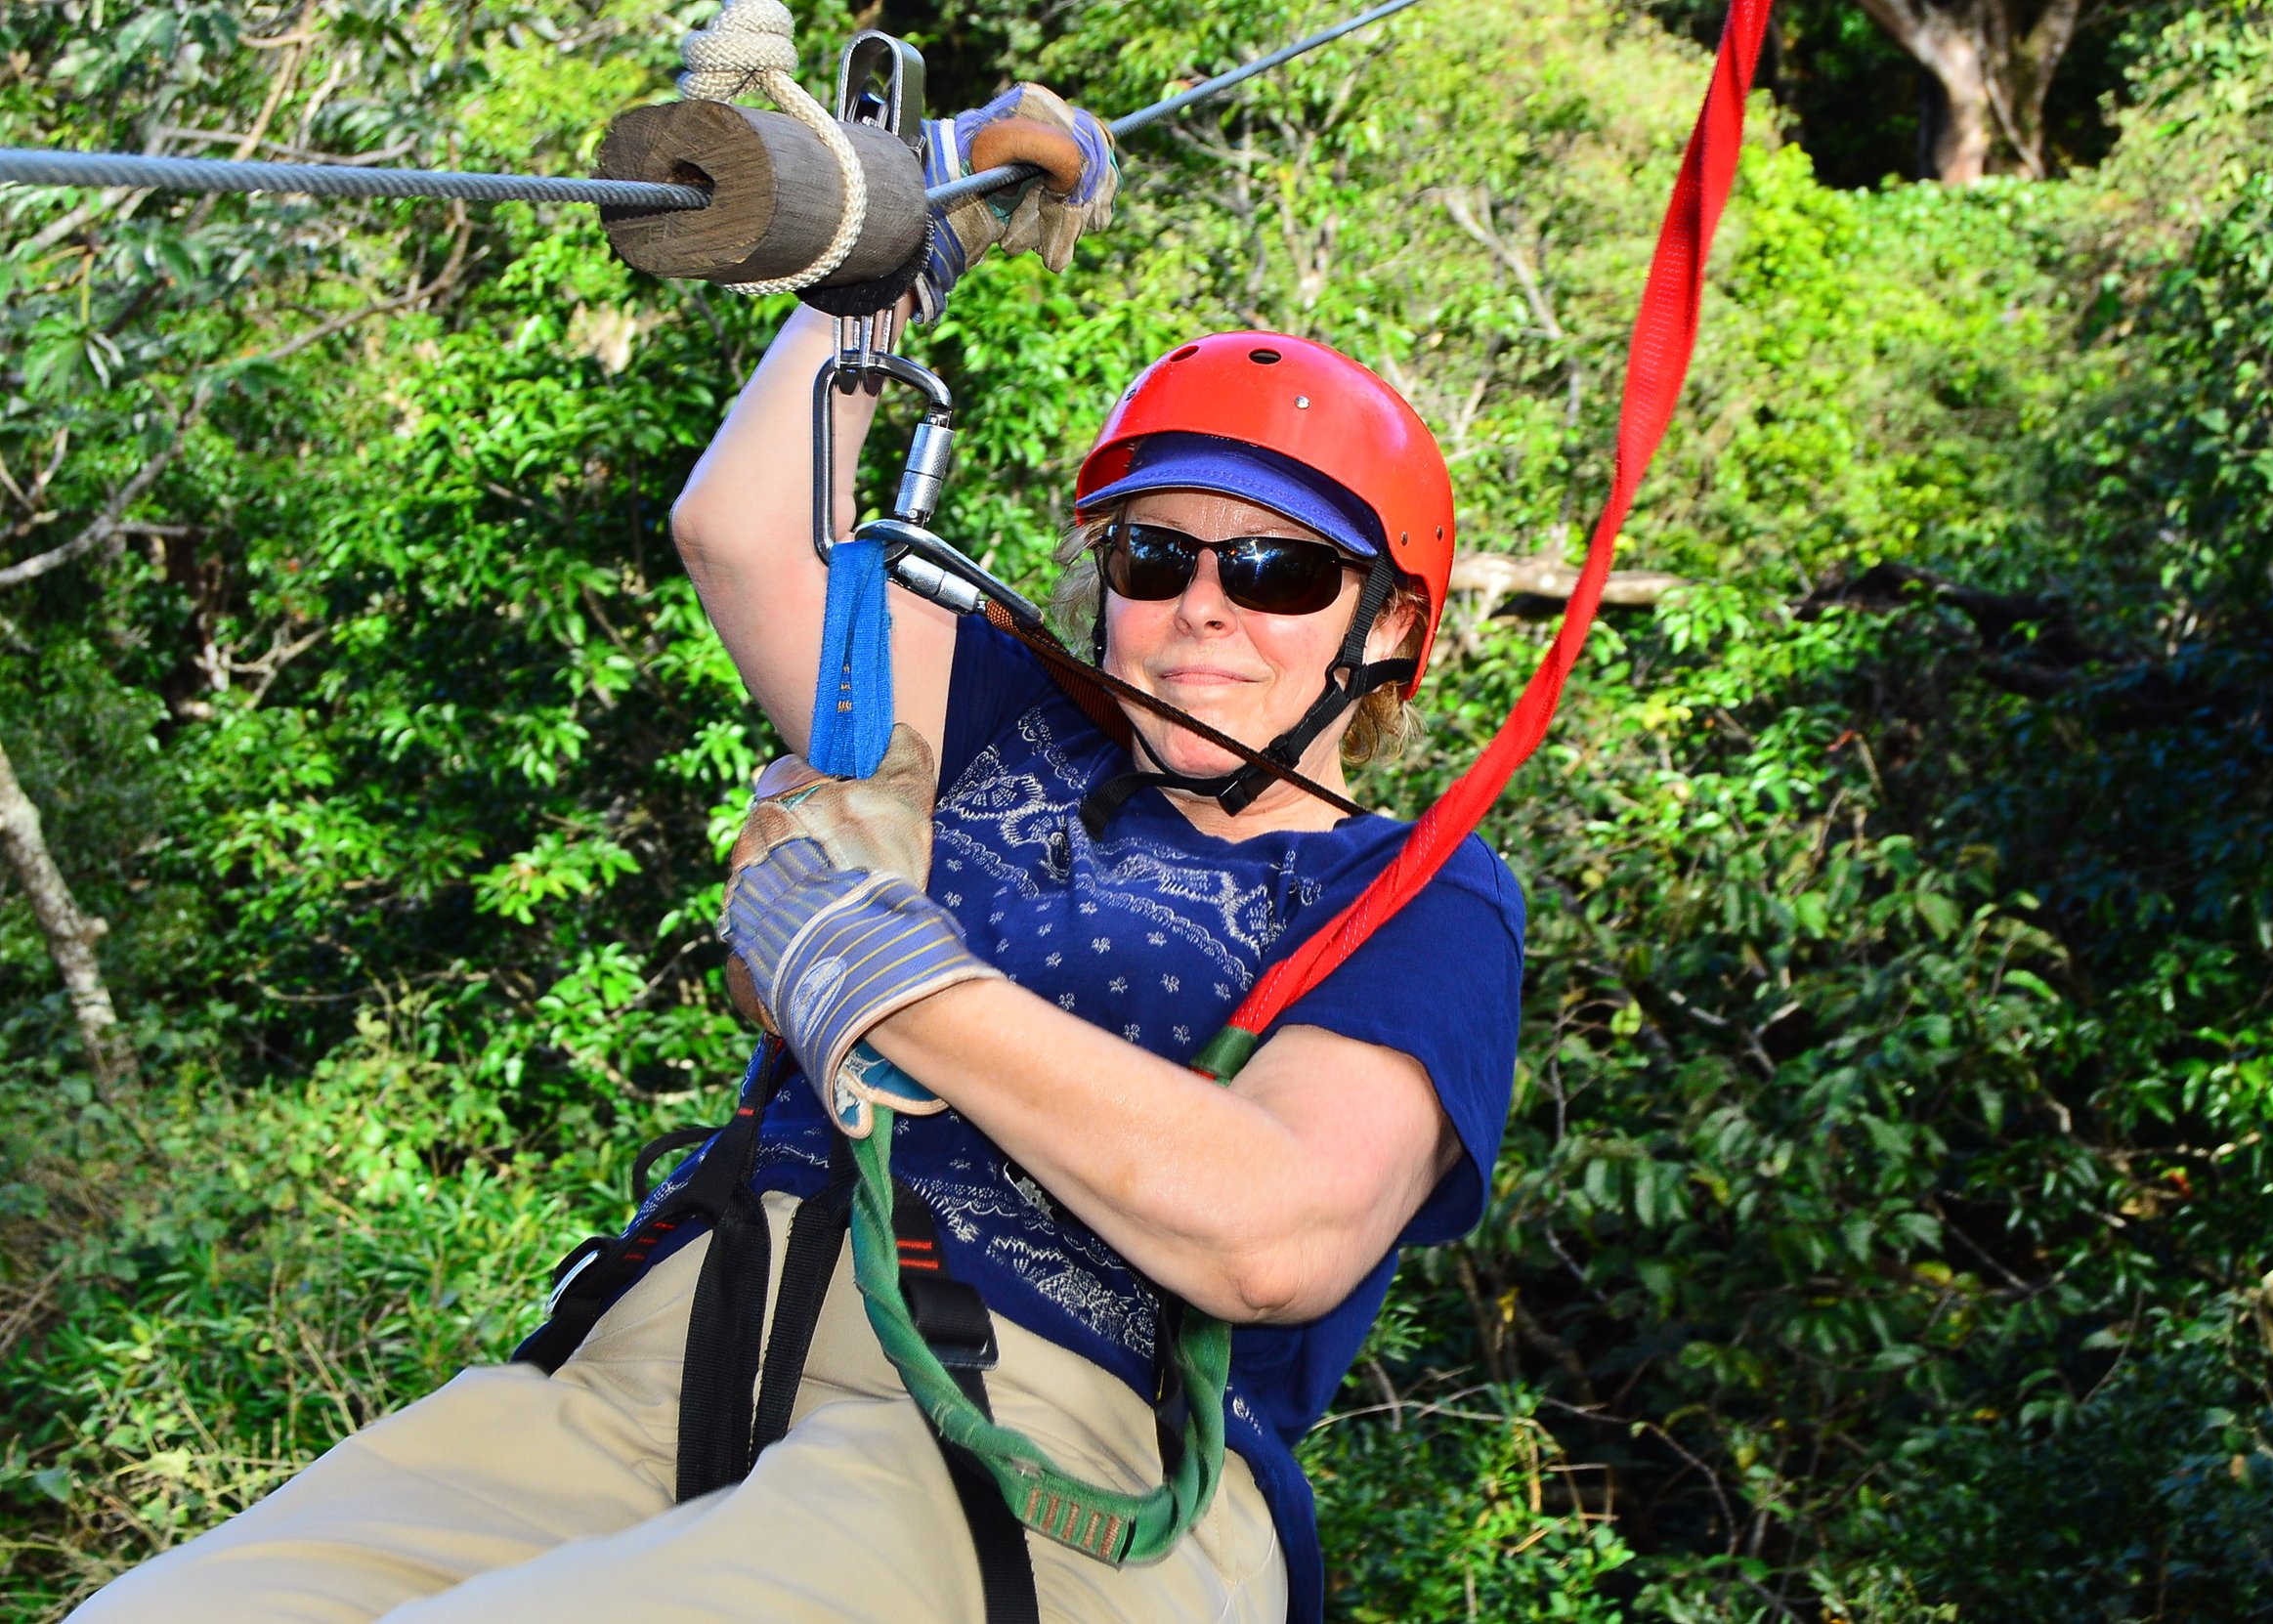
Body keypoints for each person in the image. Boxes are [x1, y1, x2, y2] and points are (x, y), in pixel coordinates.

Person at [69, 83, 1523, 1624]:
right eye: (1156, 556)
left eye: (1282, 570)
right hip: (694, 1333)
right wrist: (911, 213)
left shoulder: (1414, 888)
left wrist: (881, 979)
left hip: (1049, 1447)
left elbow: (1274, 1228)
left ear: (1392, 630)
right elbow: (749, 531)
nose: (1205, 607)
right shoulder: (1008, 716)